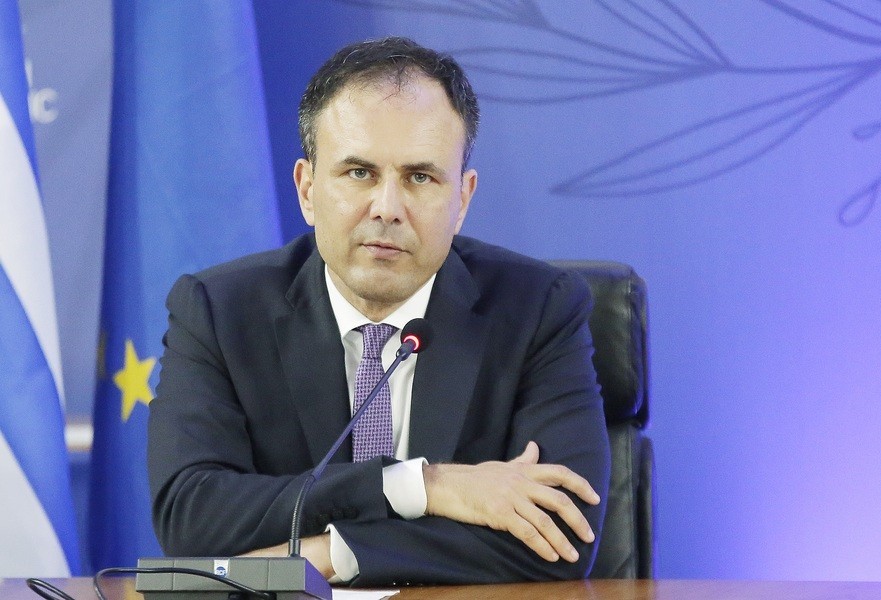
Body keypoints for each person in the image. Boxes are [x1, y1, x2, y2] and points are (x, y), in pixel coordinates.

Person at [148, 36, 611, 586]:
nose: (387, 209)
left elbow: (561, 533)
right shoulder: (219, 313)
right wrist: (423, 486)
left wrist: (331, 554)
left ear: (462, 200)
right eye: (359, 173)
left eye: (420, 177)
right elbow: (190, 517)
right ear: (307, 189)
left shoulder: (538, 310)